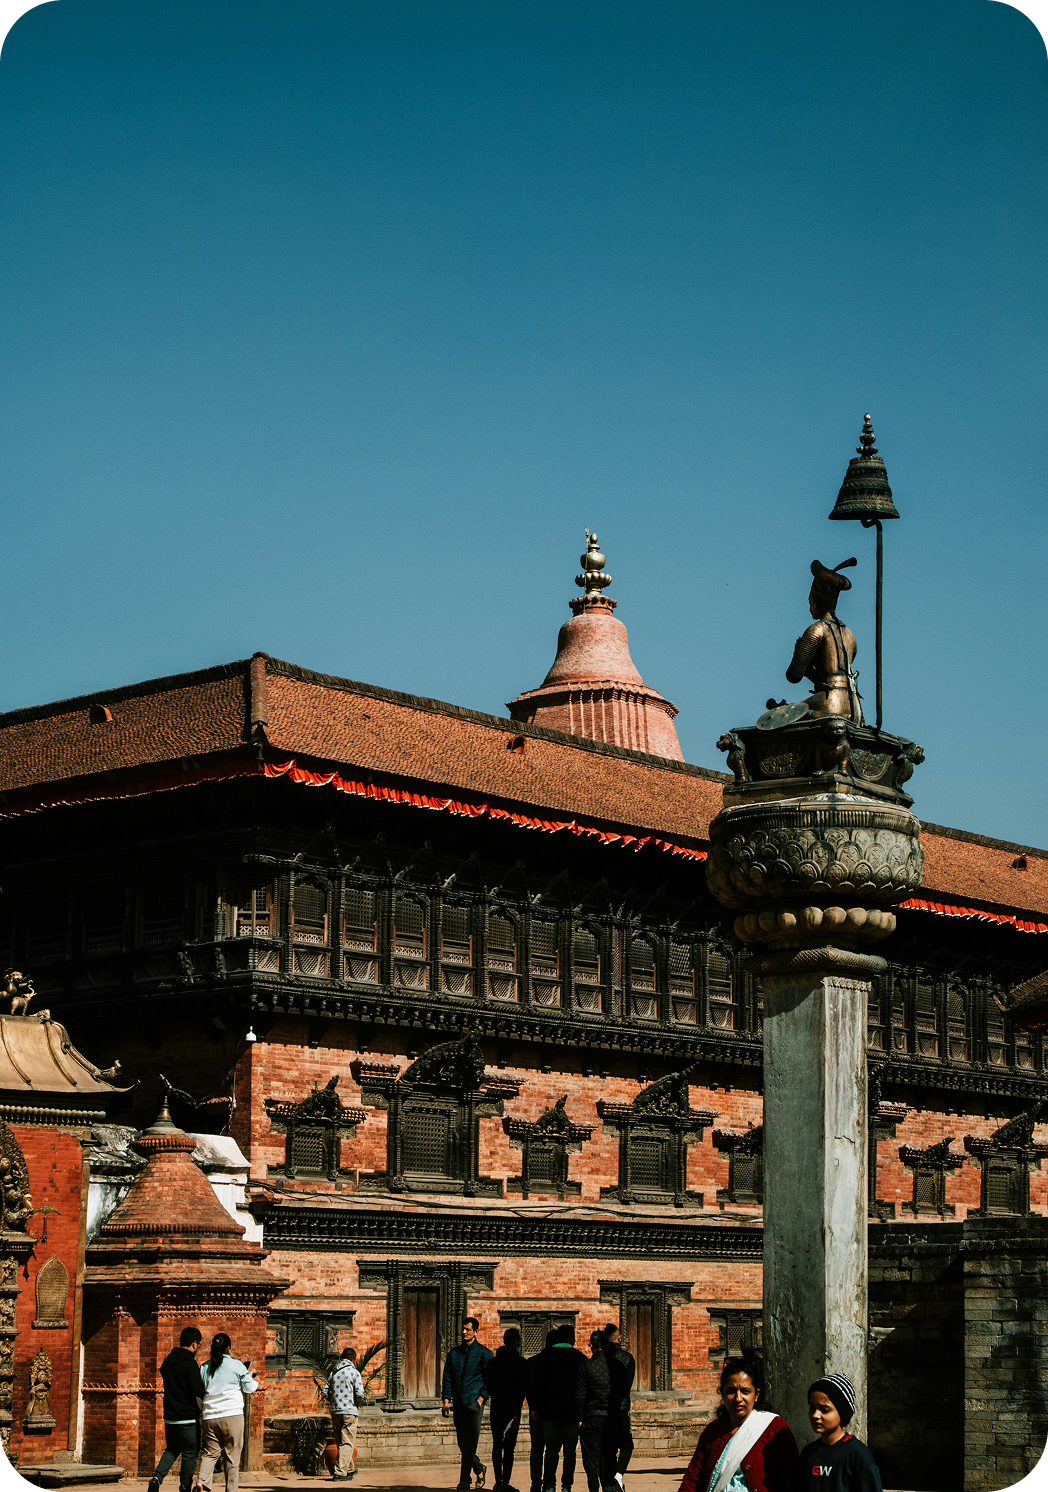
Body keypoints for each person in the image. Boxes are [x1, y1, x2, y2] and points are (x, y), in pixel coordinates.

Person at [677, 1355, 798, 1492]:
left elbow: (792, 1480)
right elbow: (692, 1480)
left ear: (756, 1394)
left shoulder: (774, 1428)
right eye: (731, 1391)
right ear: (722, 1393)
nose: (738, 1398)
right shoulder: (713, 1433)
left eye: (745, 1391)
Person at [785, 559, 863, 724]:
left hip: (830, 703)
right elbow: (834, 675)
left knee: (780, 714)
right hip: (852, 705)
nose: (809, 607)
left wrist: (799, 654)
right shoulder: (850, 635)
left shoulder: (817, 630)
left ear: (817, 600)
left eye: (810, 601)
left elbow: (793, 675)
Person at [796, 1375, 881, 1492]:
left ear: (842, 1414)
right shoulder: (809, 1454)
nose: (816, 1415)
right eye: (812, 1408)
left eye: (824, 1410)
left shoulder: (858, 1456)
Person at [196, 1332, 258, 1492]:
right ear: (228, 1348)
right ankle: (231, 1490)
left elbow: (200, 1390)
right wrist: (251, 1377)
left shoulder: (204, 1367)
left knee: (210, 1453)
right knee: (232, 1458)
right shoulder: (237, 1365)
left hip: (210, 1417)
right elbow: (249, 1388)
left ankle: (201, 1482)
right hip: (232, 1417)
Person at [147, 1326, 205, 1492]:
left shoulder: (167, 1361)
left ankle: (157, 1478)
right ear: (194, 1344)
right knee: (189, 1453)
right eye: (199, 1345)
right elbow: (198, 1390)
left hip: (170, 1416)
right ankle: (185, 1487)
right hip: (188, 1417)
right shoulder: (190, 1363)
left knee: (171, 1449)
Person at [442, 1316, 495, 1492]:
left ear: (476, 1332)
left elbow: (491, 1380)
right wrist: (446, 1400)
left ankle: (464, 1481)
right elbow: (448, 1377)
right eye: (463, 1329)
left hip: (474, 1404)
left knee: (470, 1443)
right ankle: (479, 1468)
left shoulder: (484, 1354)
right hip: (458, 1404)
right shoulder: (454, 1354)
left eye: (468, 1329)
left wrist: (481, 1399)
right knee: (462, 1443)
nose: (464, 1332)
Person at [538, 1324, 587, 1492]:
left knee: (551, 1449)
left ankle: (549, 1485)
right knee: (570, 1452)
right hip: (572, 1413)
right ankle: (566, 1486)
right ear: (573, 1339)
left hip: (549, 1411)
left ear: (557, 1338)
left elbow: (539, 1386)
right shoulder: (579, 1358)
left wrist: (537, 1407)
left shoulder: (545, 1356)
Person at [486, 1328, 526, 1492]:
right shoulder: (521, 1363)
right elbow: (522, 1389)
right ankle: (506, 1482)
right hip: (513, 1411)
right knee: (509, 1447)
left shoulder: (493, 1363)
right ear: (517, 1342)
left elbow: (488, 1385)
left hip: (496, 1407)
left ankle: (498, 1479)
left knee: (497, 1444)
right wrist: (517, 1410)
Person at [578, 1331, 619, 1492]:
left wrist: (580, 1418)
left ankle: (593, 1487)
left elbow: (580, 1395)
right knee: (609, 1455)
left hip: (591, 1417)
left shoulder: (585, 1367)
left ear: (591, 1346)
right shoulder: (616, 1366)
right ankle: (608, 1486)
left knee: (591, 1457)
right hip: (611, 1417)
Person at [523, 1329, 560, 1492]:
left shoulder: (533, 1362)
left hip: (535, 1411)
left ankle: (536, 1483)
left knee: (537, 1448)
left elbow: (528, 1387)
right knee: (552, 1449)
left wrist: (533, 1406)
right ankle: (549, 1483)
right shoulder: (558, 1363)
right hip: (552, 1411)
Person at [321, 1347, 365, 1481]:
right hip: (349, 1412)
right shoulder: (354, 1372)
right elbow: (360, 1393)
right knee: (347, 1443)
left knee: (341, 1442)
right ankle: (340, 1472)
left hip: (335, 1412)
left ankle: (350, 1469)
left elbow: (325, 1392)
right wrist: (356, 1404)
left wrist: (334, 1402)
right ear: (353, 1359)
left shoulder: (334, 1373)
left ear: (342, 1358)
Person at [601, 1324, 635, 1490]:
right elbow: (626, 1387)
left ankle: (606, 1482)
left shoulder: (599, 1357)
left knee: (607, 1447)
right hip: (621, 1408)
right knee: (627, 1444)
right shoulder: (627, 1358)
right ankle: (618, 1475)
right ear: (619, 1338)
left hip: (601, 1408)